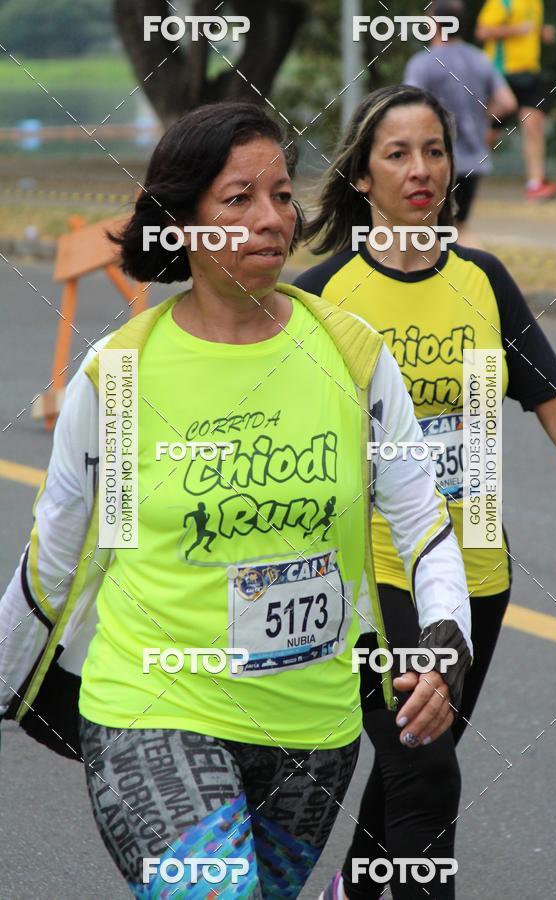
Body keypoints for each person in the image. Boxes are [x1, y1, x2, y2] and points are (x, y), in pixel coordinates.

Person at [0, 102, 473, 898]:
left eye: (283, 195)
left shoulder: (349, 353)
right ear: (182, 222)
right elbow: (56, 560)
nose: (271, 219)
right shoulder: (122, 376)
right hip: (155, 707)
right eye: (238, 199)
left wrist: (444, 636)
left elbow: (422, 520)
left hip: (311, 734)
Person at [294, 85, 556, 900]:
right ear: (361, 177)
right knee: (426, 770)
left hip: (478, 572)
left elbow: (551, 392)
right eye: (397, 153)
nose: (421, 169)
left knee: (411, 760)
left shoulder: (484, 281)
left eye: (434, 150)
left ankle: (352, 892)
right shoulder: (323, 299)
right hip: (376, 571)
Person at [404, 0, 517, 244]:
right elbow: (507, 102)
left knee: (431, 229)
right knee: (459, 226)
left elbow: (409, 108)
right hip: (473, 159)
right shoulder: (481, 60)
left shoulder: (422, 63)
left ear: (433, 24)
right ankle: (475, 276)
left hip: (434, 160)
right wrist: (485, 121)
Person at [476, 0, 556, 200]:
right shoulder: (502, 2)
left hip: (529, 73)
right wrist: (516, 30)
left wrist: (542, 32)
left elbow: (531, 29)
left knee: (534, 124)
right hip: (501, 73)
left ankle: (535, 183)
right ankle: (462, 177)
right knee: (490, 131)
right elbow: (482, 32)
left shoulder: (536, 3)